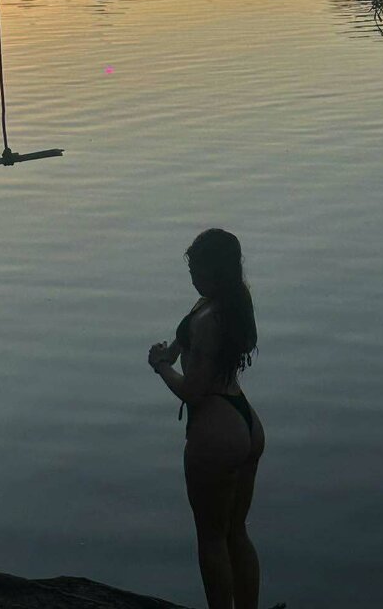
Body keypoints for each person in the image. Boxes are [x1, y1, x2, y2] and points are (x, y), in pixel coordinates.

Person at [148, 228, 265, 609]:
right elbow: (187, 345)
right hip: (244, 420)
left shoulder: (207, 319)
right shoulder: (230, 303)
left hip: (215, 431)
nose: (192, 276)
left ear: (213, 269)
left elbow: (192, 391)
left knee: (211, 539)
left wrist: (161, 367)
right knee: (236, 532)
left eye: (196, 269)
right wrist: (170, 352)